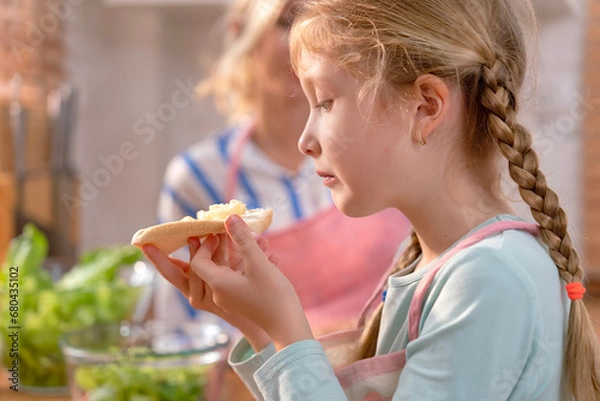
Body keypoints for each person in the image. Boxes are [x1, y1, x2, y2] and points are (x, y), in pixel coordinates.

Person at [144, 0, 600, 399]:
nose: (306, 140)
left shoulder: (488, 280)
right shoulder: (429, 263)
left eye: (324, 101)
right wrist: (260, 328)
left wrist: (287, 329)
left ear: (424, 107)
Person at [153, 0, 411, 336]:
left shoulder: (380, 146)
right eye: (288, 20)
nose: (307, 38)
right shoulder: (198, 176)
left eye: (322, 20)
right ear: (241, 33)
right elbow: (182, 338)